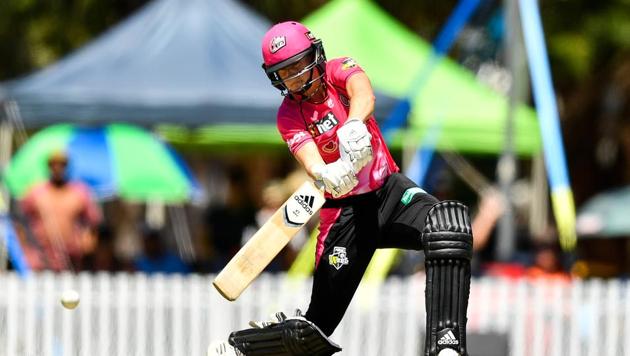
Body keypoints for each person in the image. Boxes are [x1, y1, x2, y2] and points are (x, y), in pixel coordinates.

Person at [212, 22, 474, 356]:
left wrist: (353, 123)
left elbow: (363, 92)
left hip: (390, 193)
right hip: (344, 216)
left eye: (298, 65)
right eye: (284, 72)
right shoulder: (289, 114)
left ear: (315, 55)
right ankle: (245, 349)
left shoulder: (338, 70)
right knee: (313, 331)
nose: (294, 77)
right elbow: (308, 156)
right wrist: (325, 172)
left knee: (448, 227)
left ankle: (446, 345)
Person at [19, 150, 102, 271]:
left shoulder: (79, 191)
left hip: (71, 258)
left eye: (62, 164)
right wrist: (23, 248)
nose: (58, 168)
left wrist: (88, 241)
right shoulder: (36, 191)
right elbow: (21, 221)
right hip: (40, 259)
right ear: (49, 166)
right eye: (54, 164)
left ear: (67, 166)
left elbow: (93, 221)